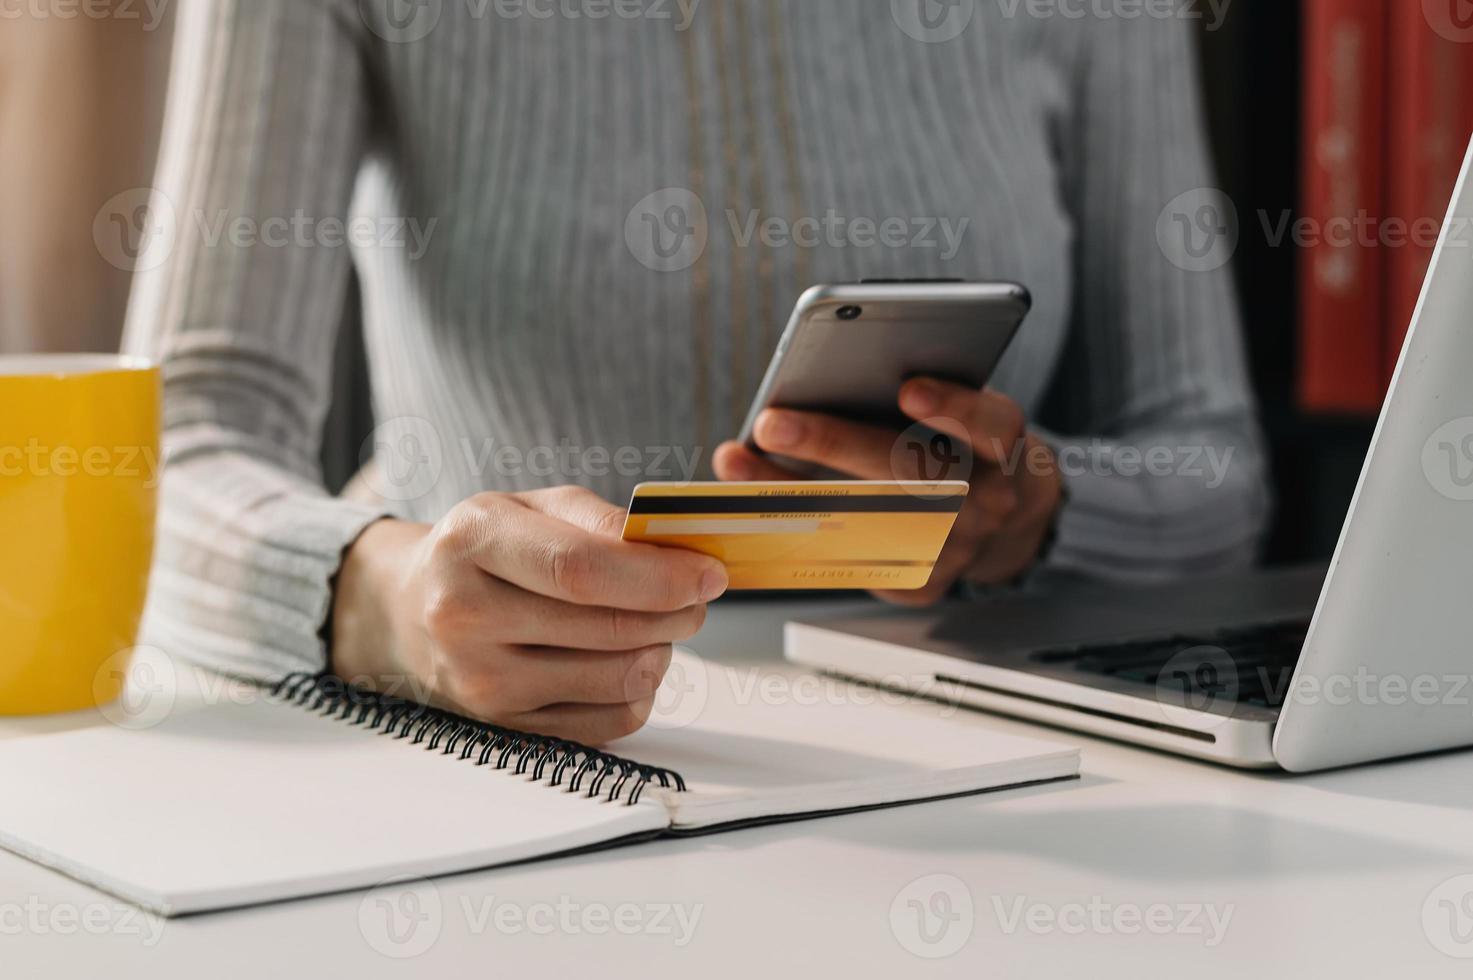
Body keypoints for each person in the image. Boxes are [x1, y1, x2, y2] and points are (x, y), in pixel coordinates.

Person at [124, 0, 1269, 744]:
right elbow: (169, 451)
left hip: (1000, 749)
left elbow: (1214, 462)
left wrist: (1043, 507)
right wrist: (386, 599)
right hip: (515, 766)